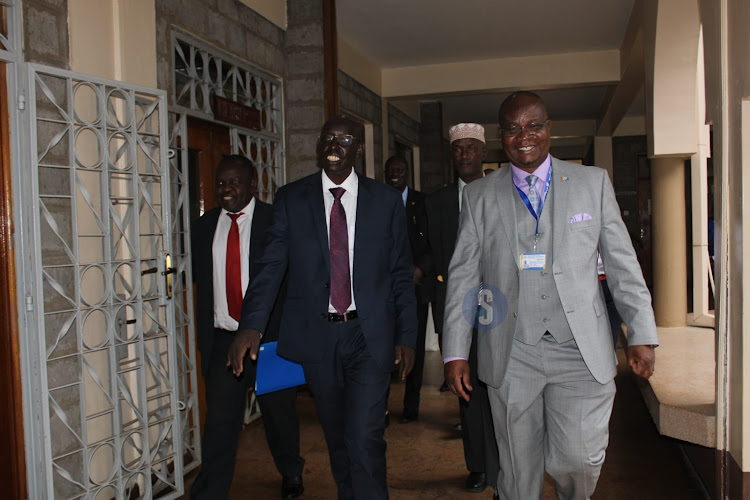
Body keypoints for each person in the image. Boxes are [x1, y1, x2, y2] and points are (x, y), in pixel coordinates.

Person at [442, 91, 658, 500]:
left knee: (579, 458)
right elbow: (464, 277)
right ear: (501, 136)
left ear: (549, 130)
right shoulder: (479, 196)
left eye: (533, 125)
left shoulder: (591, 183)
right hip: (512, 350)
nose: (524, 136)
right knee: (517, 472)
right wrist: (455, 350)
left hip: (579, 347)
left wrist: (642, 331)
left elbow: (622, 264)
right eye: (513, 128)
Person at [227, 116, 417, 500]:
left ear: (358, 150)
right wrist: (251, 325)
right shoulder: (292, 198)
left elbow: (399, 272)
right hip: (318, 337)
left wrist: (407, 335)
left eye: (344, 139)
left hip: (369, 334)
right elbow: (271, 266)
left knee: (365, 436)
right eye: (327, 137)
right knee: (338, 438)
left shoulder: (383, 201)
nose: (334, 144)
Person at [190, 155, 305, 500]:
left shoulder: (276, 221)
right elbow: (202, 280)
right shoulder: (204, 225)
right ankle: (210, 492)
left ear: (253, 185)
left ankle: (291, 471)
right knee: (220, 424)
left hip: (272, 341)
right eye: (221, 183)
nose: (226, 189)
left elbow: (292, 280)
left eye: (234, 182)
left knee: (279, 415)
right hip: (224, 340)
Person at [425, 123, 499, 494]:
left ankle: (504, 462)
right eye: (458, 150)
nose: (465, 155)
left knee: (499, 388)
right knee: (468, 390)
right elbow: (431, 257)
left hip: (499, 308)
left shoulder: (503, 193)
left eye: (471, 148)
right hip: (457, 309)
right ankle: (478, 466)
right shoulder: (436, 202)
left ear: (483, 152)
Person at [383, 155, 432, 424]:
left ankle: (411, 406)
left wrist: (418, 270)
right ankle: (383, 408)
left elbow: (432, 244)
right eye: (391, 171)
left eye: (400, 170)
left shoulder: (422, 203)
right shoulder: (376, 201)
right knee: (385, 346)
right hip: (384, 291)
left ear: (408, 174)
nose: (395, 174)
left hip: (414, 288)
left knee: (414, 347)